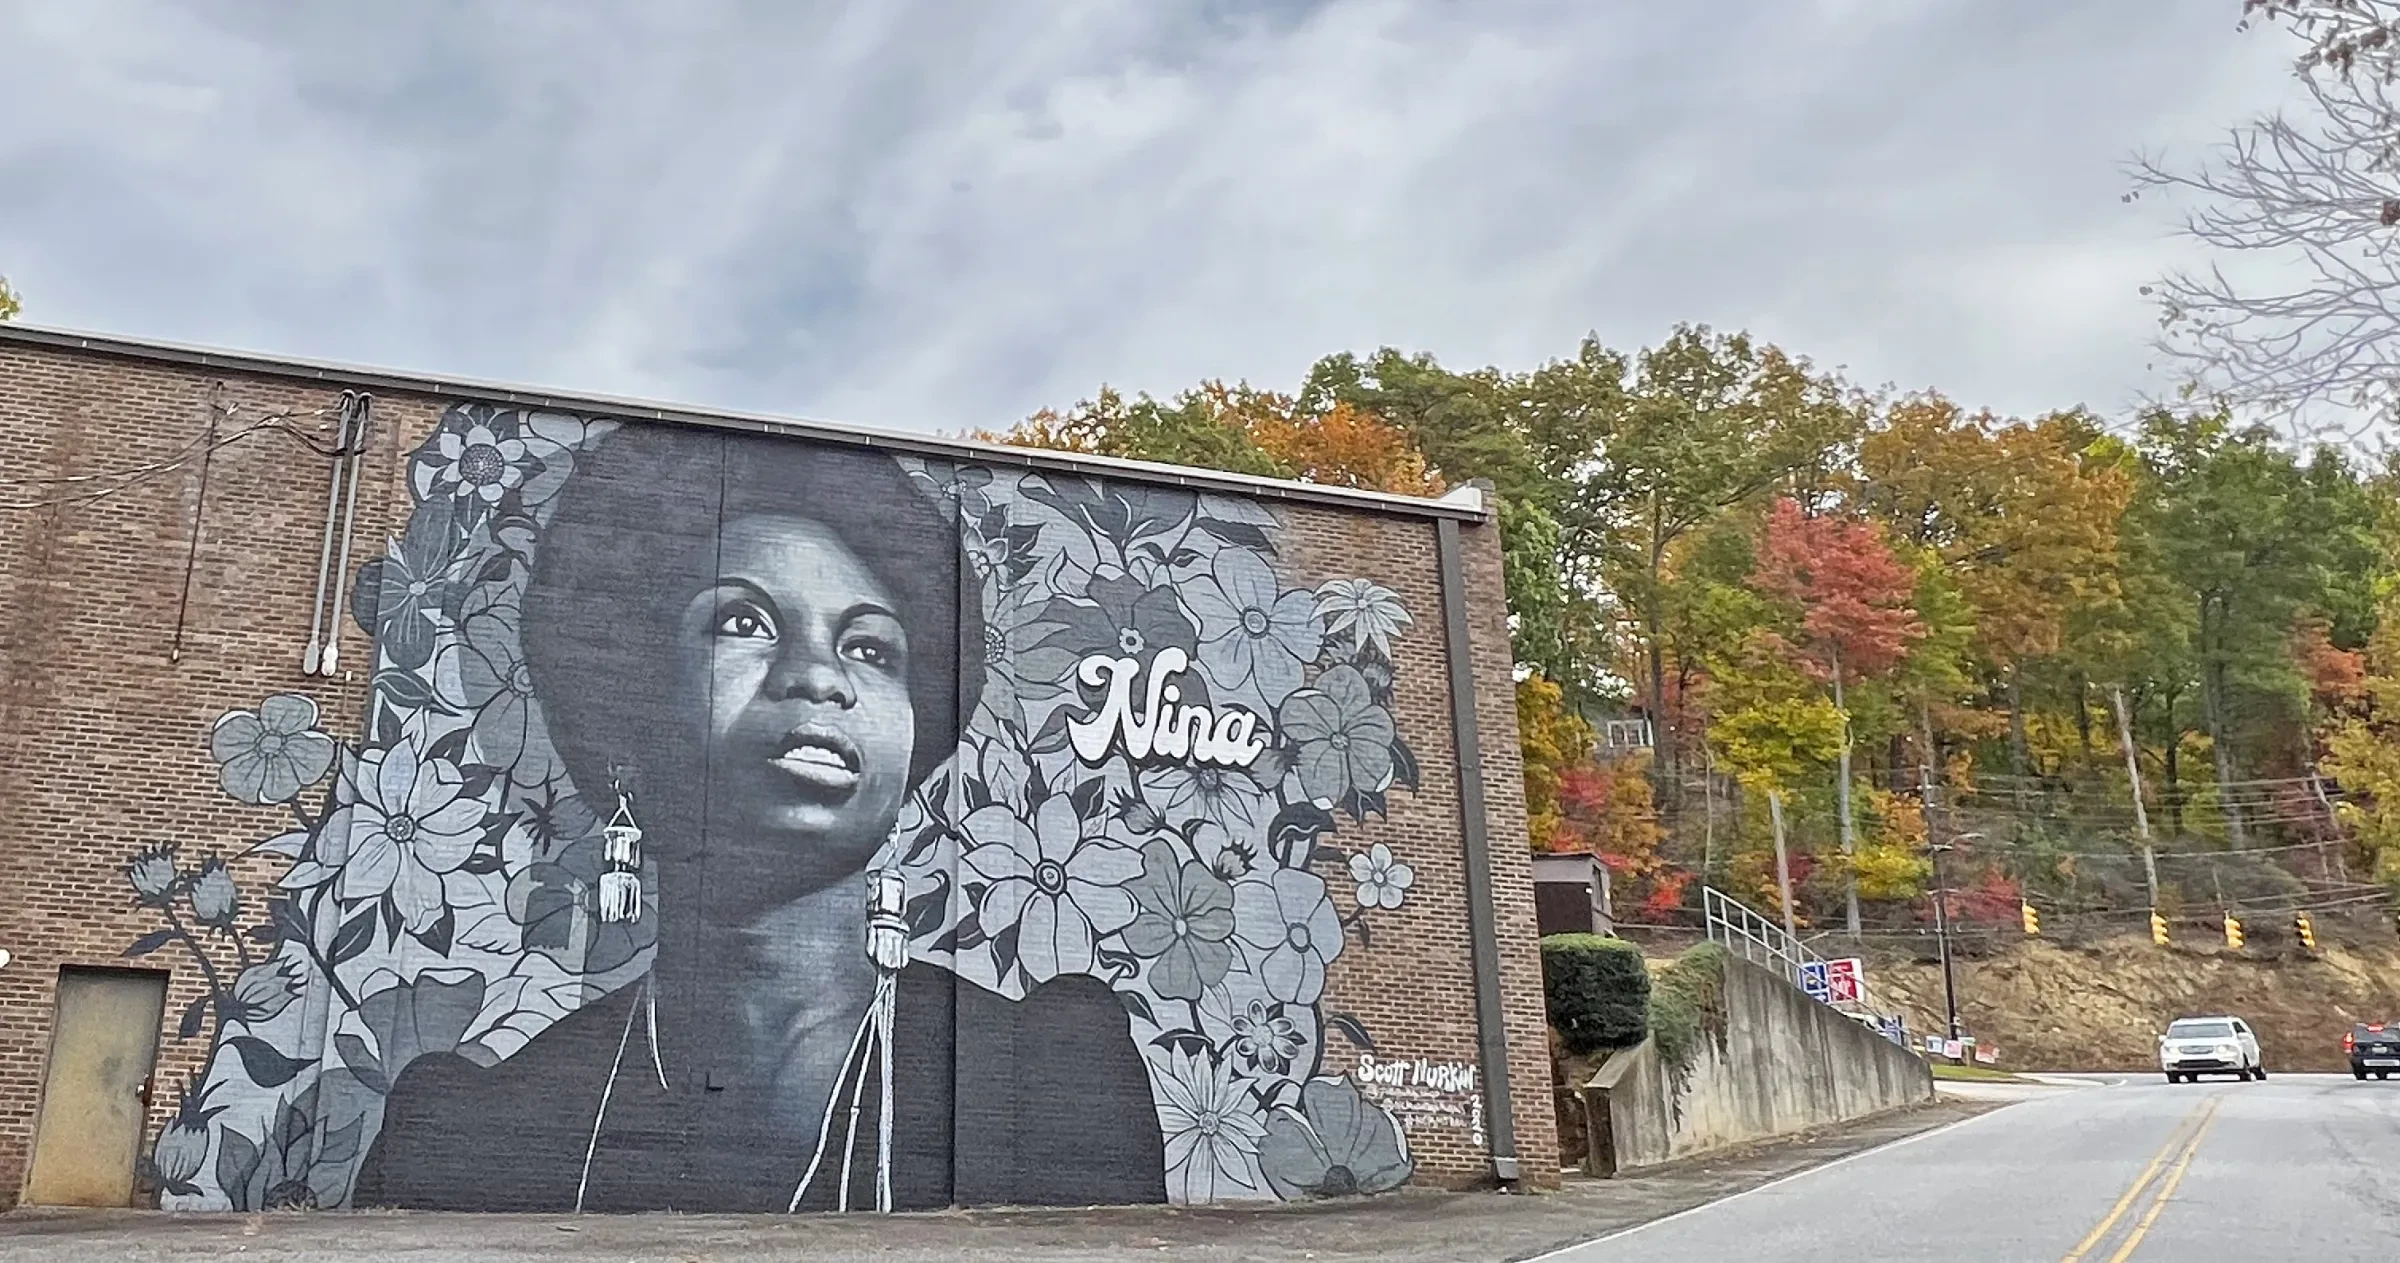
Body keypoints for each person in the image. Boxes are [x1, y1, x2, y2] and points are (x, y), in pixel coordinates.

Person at [351, 422, 1166, 1213]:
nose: (818, 677)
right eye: (743, 621)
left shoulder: (1049, 1076)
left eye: (871, 648)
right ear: (629, 713)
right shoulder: (472, 1129)